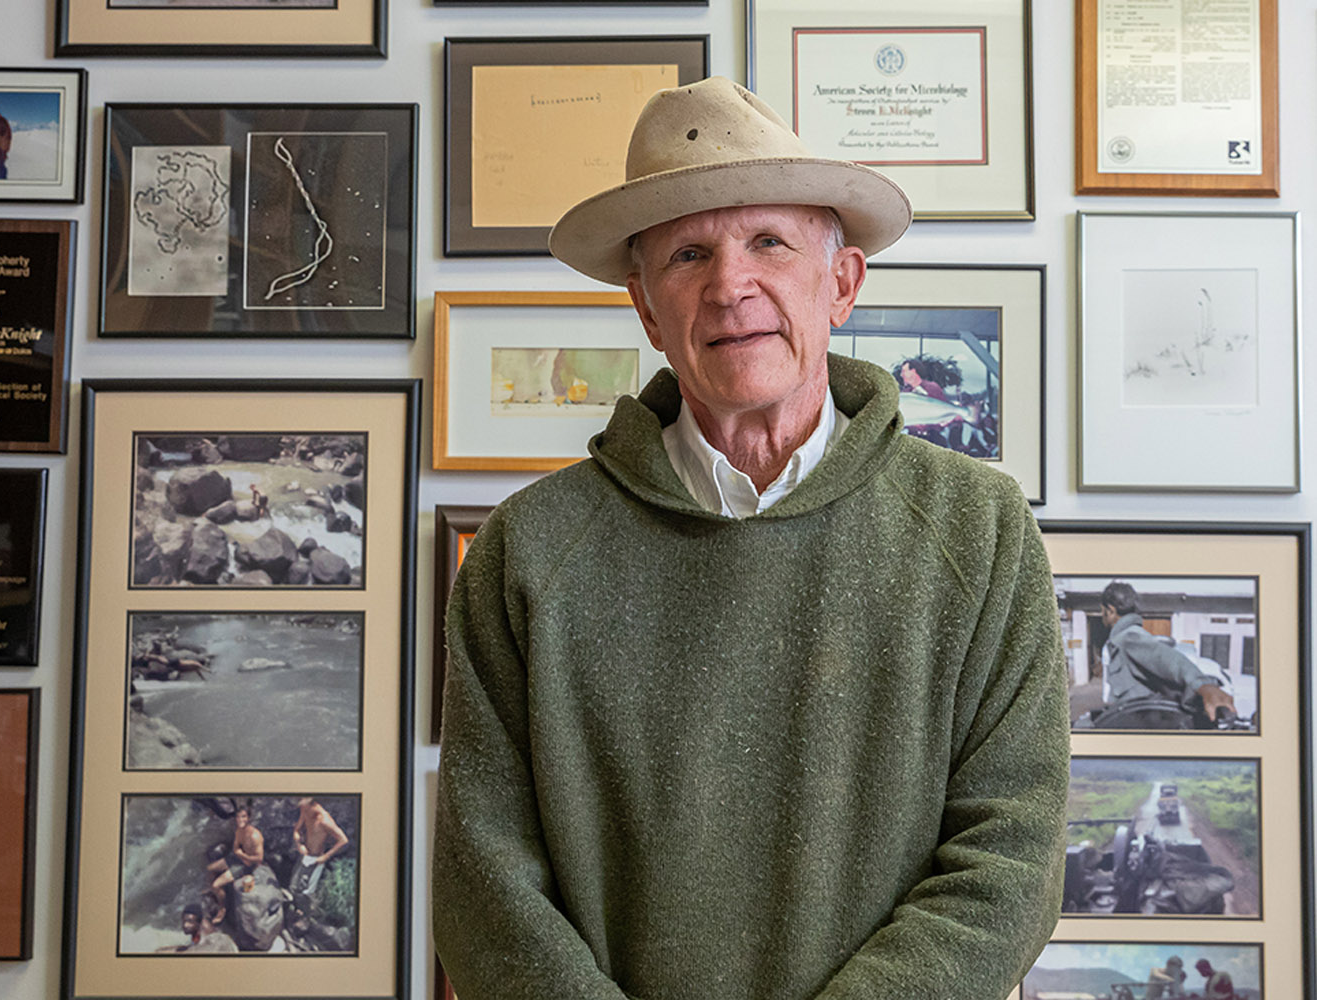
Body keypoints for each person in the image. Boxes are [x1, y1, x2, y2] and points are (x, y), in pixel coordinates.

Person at [432, 78, 1070, 1000]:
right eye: (688, 254)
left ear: (840, 282)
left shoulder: (978, 530)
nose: (731, 286)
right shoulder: (528, 552)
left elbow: (1009, 858)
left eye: (768, 242)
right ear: (648, 311)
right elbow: (485, 892)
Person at [1099, 581, 1236, 722]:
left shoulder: (1128, 638)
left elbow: (1165, 658)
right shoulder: (1126, 638)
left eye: (1102, 611)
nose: (1101, 615)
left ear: (1110, 610)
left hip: (1142, 724)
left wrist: (1202, 685)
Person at [208, 805, 264, 922]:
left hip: (247, 865)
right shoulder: (239, 831)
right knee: (210, 868)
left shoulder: (255, 836)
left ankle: (222, 908)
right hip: (238, 858)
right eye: (238, 817)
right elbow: (235, 848)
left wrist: (242, 856)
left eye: (243, 817)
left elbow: (259, 858)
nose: (240, 820)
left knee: (216, 885)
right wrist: (240, 854)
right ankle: (217, 894)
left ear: (249, 818)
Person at [291, 796, 348, 898]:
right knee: (293, 887)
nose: (302, 808)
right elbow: (297, 829)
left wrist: (326, 856)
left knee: (307, 893)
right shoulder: (305, 809)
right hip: (304, 855)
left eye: (303, 805)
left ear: (312, 803)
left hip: (316, 859)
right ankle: (294, 910)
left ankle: (307, 911)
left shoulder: (324, 821)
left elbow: (343, 840)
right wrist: (299, 844)